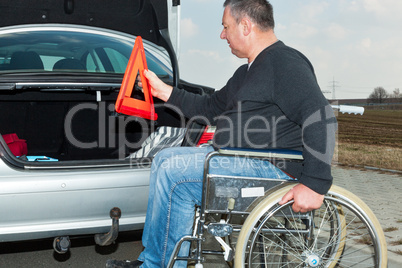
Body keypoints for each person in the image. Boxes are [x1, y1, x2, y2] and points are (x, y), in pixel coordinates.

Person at [106, 0, 337, 267]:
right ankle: (154, 260)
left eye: (226, 27)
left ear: (246, 26)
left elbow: (321, 115)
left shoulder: (284, 63)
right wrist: (163, 91)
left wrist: (314, 184)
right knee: (164, 159)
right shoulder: (247, 72)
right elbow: (210, 106)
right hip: (241, 160)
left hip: (271, 168)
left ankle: (159, 264)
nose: (222, 34)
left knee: (174, 172)